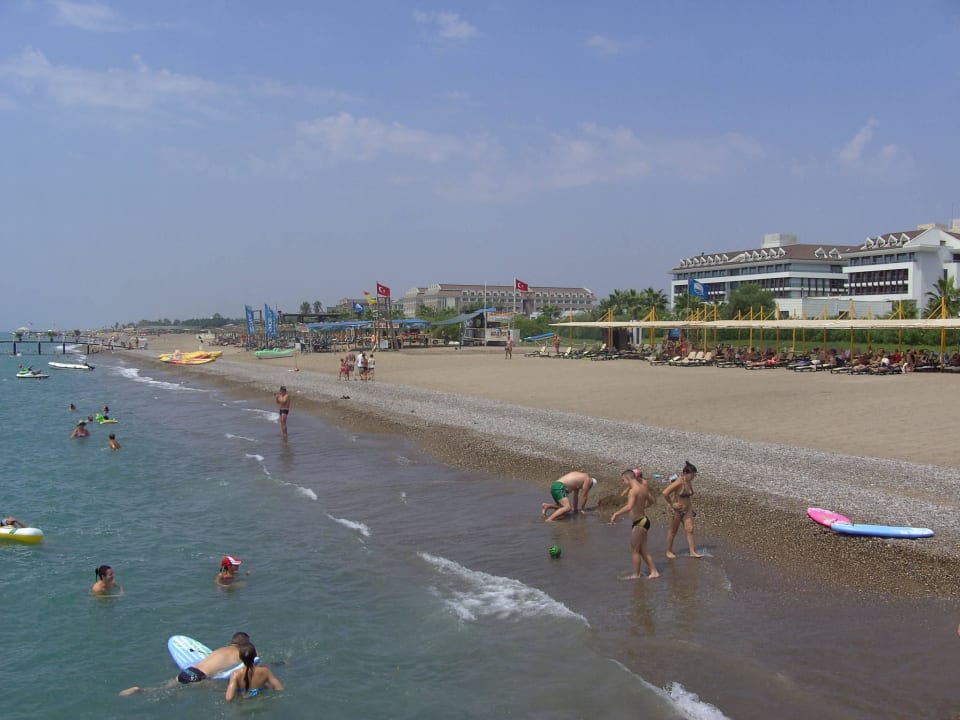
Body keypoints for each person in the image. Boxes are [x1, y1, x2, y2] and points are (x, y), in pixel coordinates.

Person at [119, 632, 253, 695]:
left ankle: (140, 690)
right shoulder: (238, 654)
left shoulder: (221, 649)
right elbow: (247, 664)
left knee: (164, 689)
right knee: (226, 691)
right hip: (199, 677)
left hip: (189, 670)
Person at [609, 469, 660, 579]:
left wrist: (616, 514)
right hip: (644, 520)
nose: (624, 483)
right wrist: (642, 507)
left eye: (623, 480)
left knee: (635, 550)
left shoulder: (633, 491)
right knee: (642, 549)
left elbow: (629, 506)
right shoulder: (643, 488)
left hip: (640, 522)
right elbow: (652, 501)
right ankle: (654, 572)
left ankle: (636, 574)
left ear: (627, 479)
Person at [663, 460, 703, 559]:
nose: (693, 477)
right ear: (685, 473)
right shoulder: (679, 482)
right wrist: (672, 504)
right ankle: (668, 551)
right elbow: (665, 493)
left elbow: (687, 496)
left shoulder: (688, 482)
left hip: (687, 509)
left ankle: (692, 552)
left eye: (694, 475)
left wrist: (690, 508)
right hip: (676, 511)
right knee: (673, 531)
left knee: (690, 530)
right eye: (692, 475)